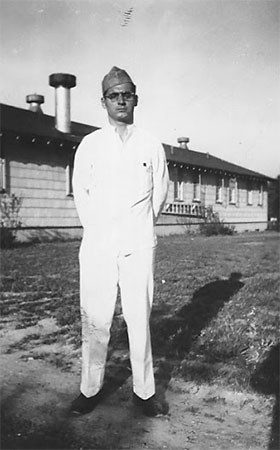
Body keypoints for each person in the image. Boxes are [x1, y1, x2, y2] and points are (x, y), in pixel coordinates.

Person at [71, 66, 169, 416]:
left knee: (139, 317)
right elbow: (80, 193)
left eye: (127, 94)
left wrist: (137, 228)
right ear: (103, 102)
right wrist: (100, 231)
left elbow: (159, 195)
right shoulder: (91, 145)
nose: (121, 100)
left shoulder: (151, 144)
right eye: (114, 95)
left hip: (138, 244)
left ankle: (144, 394)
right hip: (98, 244)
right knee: (95, 318)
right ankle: (89, 389)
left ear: (136, 99)